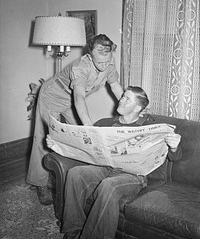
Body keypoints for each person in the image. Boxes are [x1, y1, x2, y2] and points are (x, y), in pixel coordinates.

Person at [46, 86, 182, 239]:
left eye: (127, 98)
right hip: (104, 168)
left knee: (108, 185)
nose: (121, 100)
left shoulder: (148, 128)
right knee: (75, 173)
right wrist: (57, 145)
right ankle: (73, 229)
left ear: (137, 107)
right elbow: (82, 148)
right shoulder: (105, 123)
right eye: (122, 96)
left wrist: (174, 146)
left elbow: (175, 158)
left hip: (132, 176)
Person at [26, 34, 124, 205]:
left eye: (107, 61)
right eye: (99, 62)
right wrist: (88, 125)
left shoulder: (109, 62)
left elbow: (115, 86)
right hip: (53, 96)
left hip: (70, 100)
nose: (104, 66)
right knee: (44, 139)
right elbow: (79, 98)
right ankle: (39, 183)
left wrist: (128, 106)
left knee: (81, 139)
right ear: (90, 55)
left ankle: (78, 179)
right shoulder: (81, 67)